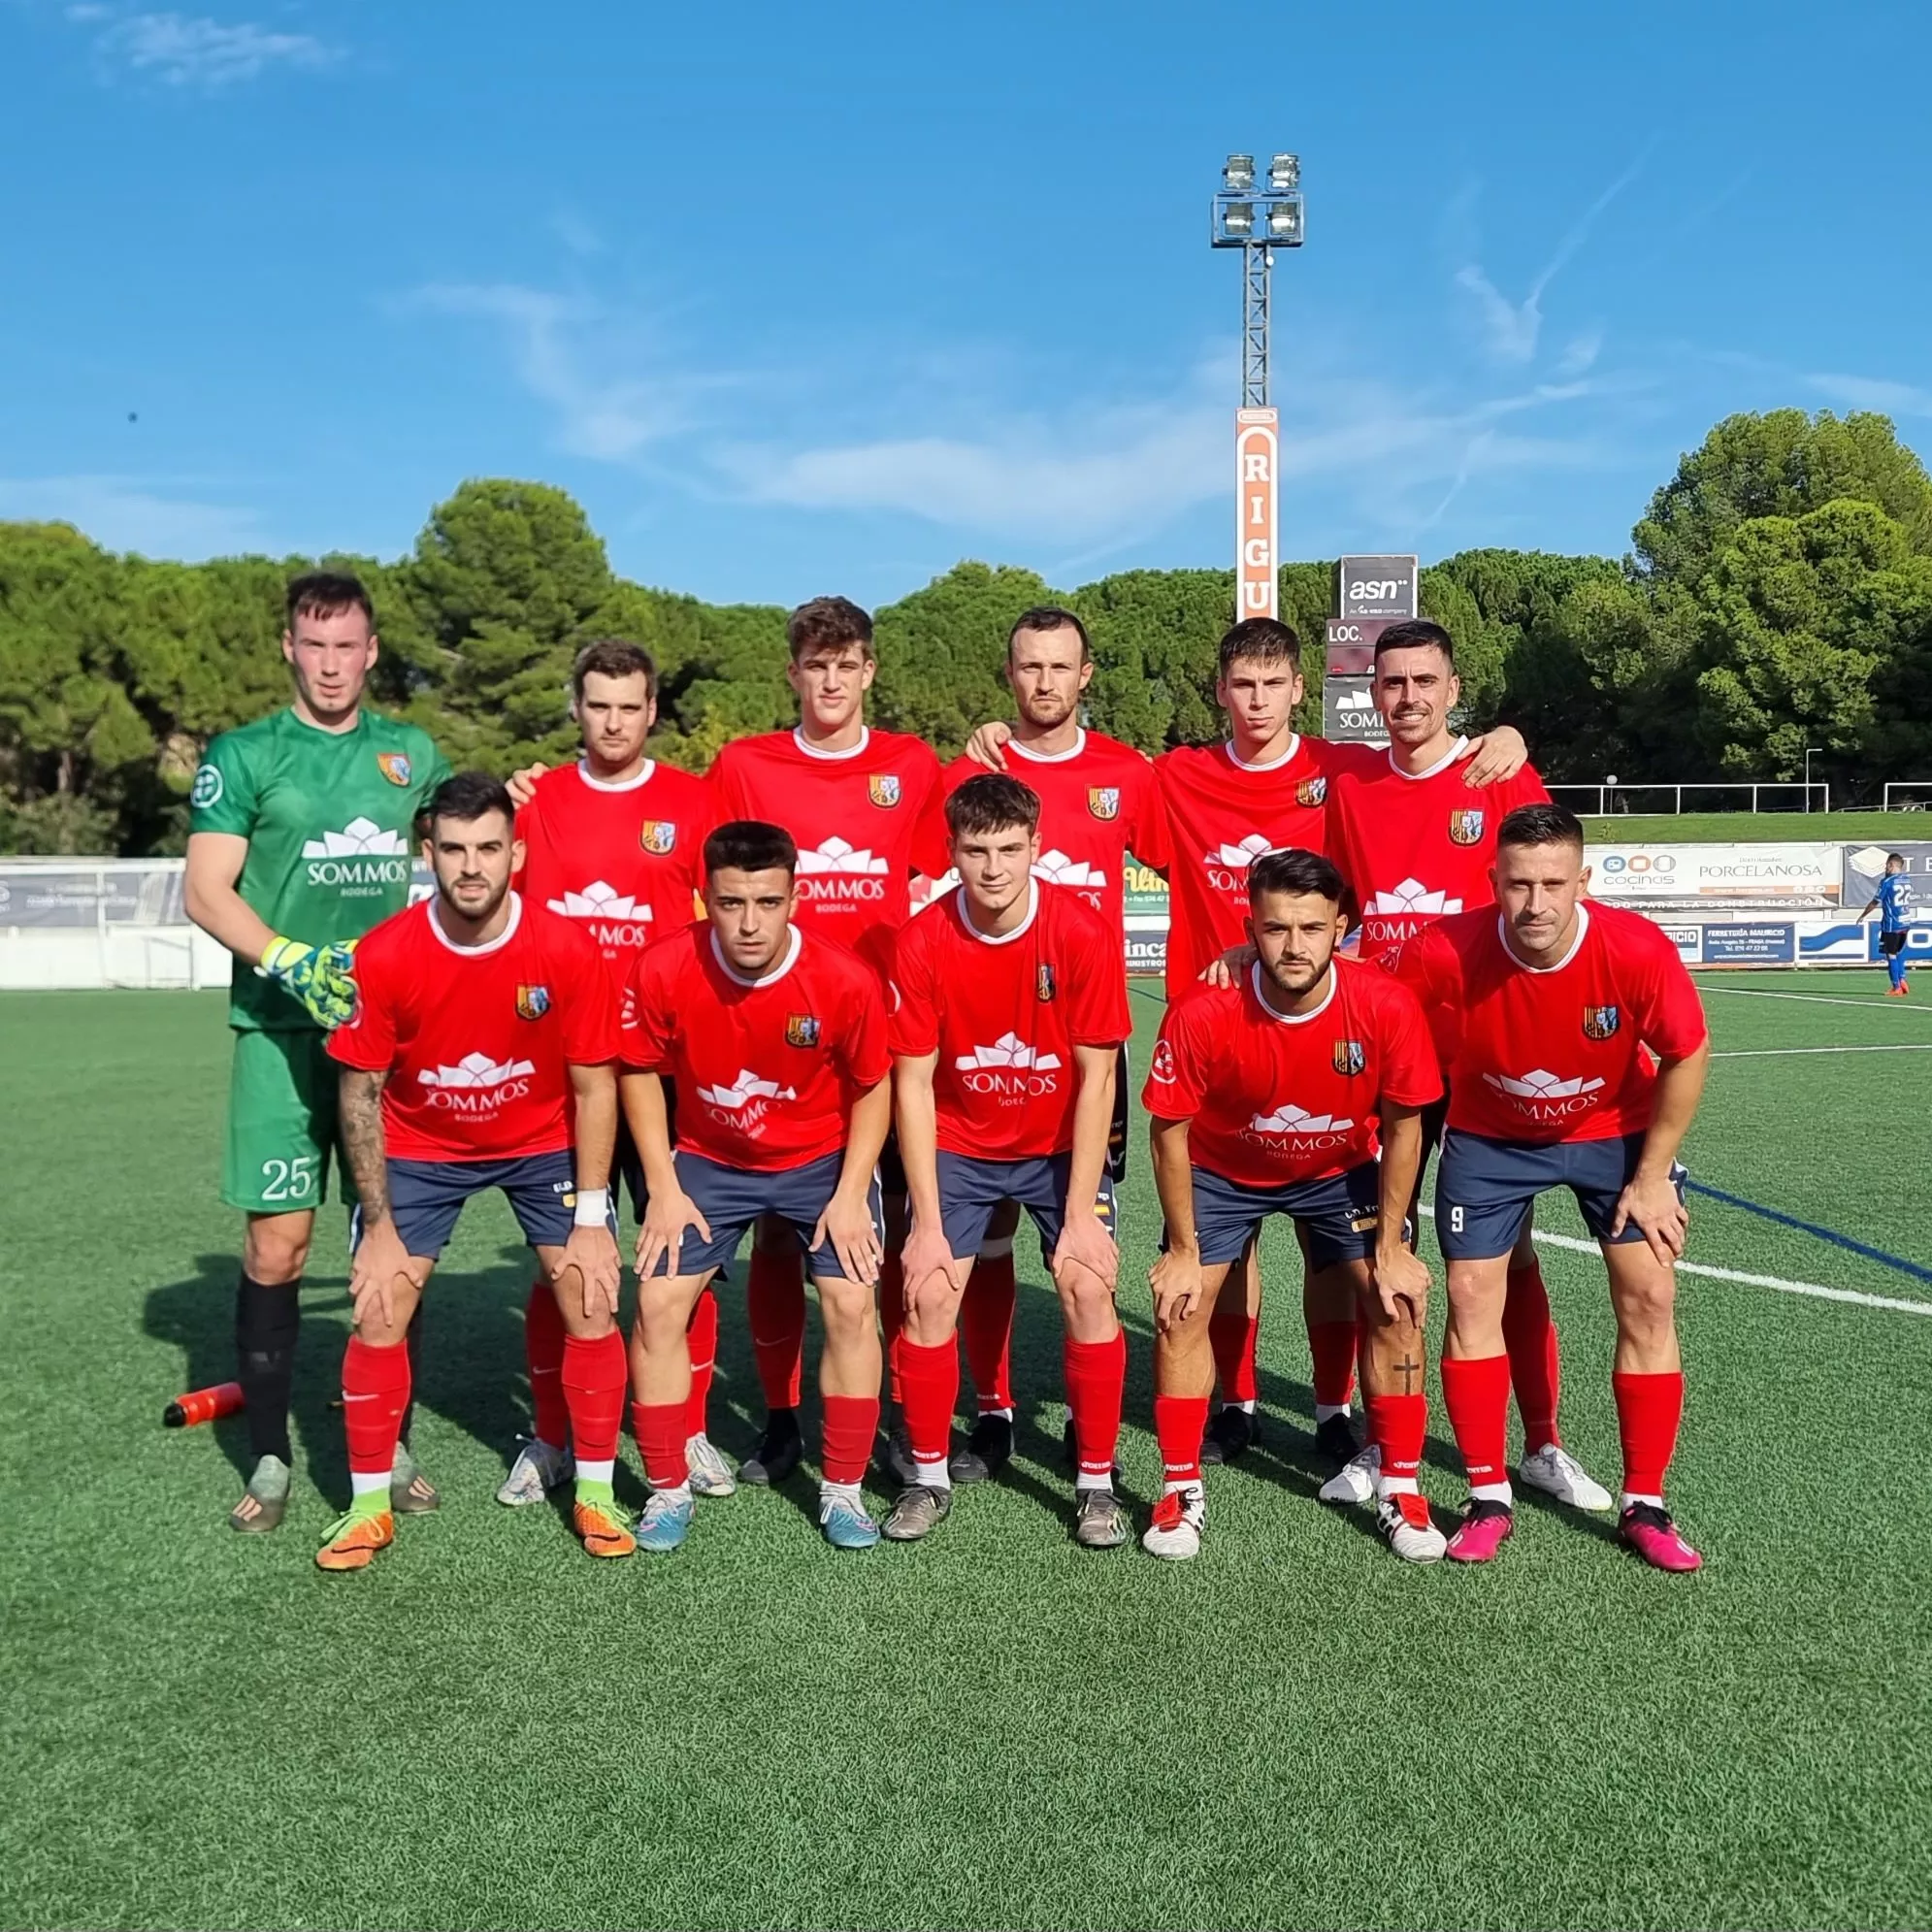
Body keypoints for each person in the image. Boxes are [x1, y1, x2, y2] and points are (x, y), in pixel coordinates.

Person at [979, 617, 1523, 1474]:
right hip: (1213, 1039)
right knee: (1223, 1241)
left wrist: (1501, 736)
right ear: (1220, 692)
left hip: (1327, 1039)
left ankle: (1332, 1405)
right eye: (1241, 684)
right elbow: (1074, 795)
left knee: (1329, 1246)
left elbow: (1421, 768)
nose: (1257, 700)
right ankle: (1233, 1398)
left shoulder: (1338, 771)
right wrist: (1002, 742)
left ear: (1299, 690)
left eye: (1273, 684)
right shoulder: (1176, 777)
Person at [1321, 617, 1609, 1515]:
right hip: (1385, 1057)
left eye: (1423, 681)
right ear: (1372, 691)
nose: (1405, 698)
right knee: (1382, 1254)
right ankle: (1384, 1439)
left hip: (1487, 1057)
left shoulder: (1498, 771)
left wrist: (1520, 737)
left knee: (1506, 1260)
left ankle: (1542, 1443)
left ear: (1453, 688)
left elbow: (1547, 886)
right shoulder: (1347, 784)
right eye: (1389, 682)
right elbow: (1331, 905)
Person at [184, 570, 452, 1534]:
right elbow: (207, 889)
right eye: (314, 644)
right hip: (277, 1031)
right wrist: (289, 959)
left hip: (385, 1038)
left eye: (348, 646)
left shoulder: (407, 752)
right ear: (289, 649)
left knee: (391, 1241)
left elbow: (467, 843)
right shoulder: (246, 753)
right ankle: (267, 1453)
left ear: (372, 651)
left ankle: (391, 1438)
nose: (332, 663)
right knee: (278, 1243)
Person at [318, 773, 626, 1571]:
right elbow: (360, 1089)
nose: (471, 866)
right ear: (428, 855)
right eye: (452, 849)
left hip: (541, 1141)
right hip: (422, 1146)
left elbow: (595, 1085)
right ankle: (367, 1506)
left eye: (488, 847)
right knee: (380, 1304)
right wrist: (377, 1225)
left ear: (516, 853)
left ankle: (593, 1492)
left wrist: (592, 1218)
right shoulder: (386, 953)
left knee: (590, 1293)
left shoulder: (566, 946)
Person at [1392, 803, 1711, 1572]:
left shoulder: (1633, 949)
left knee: (1648, 1297)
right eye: (1517, 884)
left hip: (1612, 1132)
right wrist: (1245, 959)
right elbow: (1378, 1017)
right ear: (1492, 879)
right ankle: (1486, 1492)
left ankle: (1645, 1503)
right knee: (1470, 1296)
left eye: (1552, 883)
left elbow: (1686, 1053)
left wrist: (1653, 1174)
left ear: (1583, 881)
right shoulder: (1443, 948)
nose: (1534, 903)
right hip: (1489, 1137)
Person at [1141, 848, 1446, 1563]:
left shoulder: (1383, 1003)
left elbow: (1406, 1124)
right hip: (1223, 1170)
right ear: (1251, 927)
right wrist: (1182, 1250)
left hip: (1338, 1167)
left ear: (1340, 924)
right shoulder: (1204, 1008)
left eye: (1311, 927)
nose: (1294, 945)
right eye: (1276, 928)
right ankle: (1180, 1487)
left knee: (1394, 1299)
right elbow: (1168, 1131)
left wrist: (1394, 1245)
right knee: (1182, 1302)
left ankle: (1399, 1483)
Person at [706, 597, 947, 1486]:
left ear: (870, 671)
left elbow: (951, 857)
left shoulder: (909, 764)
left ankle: (881, 1413)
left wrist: (994, 735)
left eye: (848, 664)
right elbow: (699, 879)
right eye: (816, 665)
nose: (832, 680)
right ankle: (777, 1420)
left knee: (870, 1234)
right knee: (776, 1238)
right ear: (793, 673)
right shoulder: (744, 764)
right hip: (767, 1039)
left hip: (877, 1040)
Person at [935, 606, 1167, 1482]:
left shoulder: (1125, 774)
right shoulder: (974, 766)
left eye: (1059, 666)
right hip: (981, 1055)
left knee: (1081, 1251)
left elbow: (1210, 857)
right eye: (1029, 666)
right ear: (1009, 674)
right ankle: (992, 1411)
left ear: (1086, 674)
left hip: (1085, 1055)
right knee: (983, 1241)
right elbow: (922, 880)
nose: (1044, 682)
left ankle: (1084, 1424)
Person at [619, 820, 892, 1553]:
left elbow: (872, 1087)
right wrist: (663, 1184)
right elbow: (639, 1070)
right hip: (710, 1160)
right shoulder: (663, 965)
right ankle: (667, 1489)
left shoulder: (843, 978)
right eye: (731, 902)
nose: (748, 922)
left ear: (794, 897)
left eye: (767, 902)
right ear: (705, 897)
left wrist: (849, 1191)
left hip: (819, 1161)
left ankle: (842, 1491)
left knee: (849, 1298)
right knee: (656, 1300)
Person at [500, 638, 727, 1509]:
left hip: (671, 1069)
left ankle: (689, 1427)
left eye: (629, 706)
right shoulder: (539, 799)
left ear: (653, 710)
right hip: (563, 1069)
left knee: (682, 1251)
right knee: (560, 1262)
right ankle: (553, 1436)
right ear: (574, 707)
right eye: (598, 705)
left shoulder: (692, 803)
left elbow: (723, 924)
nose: (613, 721)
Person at [887, 774, 1133, 1548]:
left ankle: (1095, 1481)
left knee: (1086, 1282)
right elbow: (915, 1084)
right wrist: (925, 1223)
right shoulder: (923, 938)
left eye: (1007, 849)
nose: (991, 867)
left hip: (1058, 1143)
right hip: (960, 1143)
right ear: (952, 851)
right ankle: (926, 1475)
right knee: (926, 1289)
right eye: (974, 850)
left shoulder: (1081, 932)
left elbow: (1098, 1077)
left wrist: (1083, 1212)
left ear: (1036, 847)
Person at [1859, 853, 1916, 996]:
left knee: (1890, 955)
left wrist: (1863, 915)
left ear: (1891, 865)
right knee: (1899, 952)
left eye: (1887, 865)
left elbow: (1875, 902)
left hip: (1892, 924)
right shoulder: (1906, 879)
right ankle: (1902, 979)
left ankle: (1896, 987)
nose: (1886, 868)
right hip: (1905, 921)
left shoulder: (1887, 882)